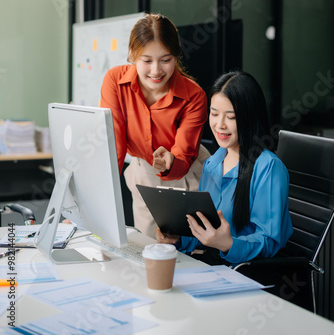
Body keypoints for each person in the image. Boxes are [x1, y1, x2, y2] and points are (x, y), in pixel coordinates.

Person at [156, 70, 293, 266]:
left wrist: (228, 244)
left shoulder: (269, 167)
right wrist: (177, 238)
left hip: (247, 274)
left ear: (249, 117)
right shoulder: (213, 162)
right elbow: (205, 229)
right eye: (214, 113)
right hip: (212, 265)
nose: (219, 125)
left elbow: (269, 242)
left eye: (231, 117)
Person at [100, 13, 210, 238]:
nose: (156, 71)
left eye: (166, 60)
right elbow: (114, 142)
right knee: (148, 248)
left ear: (176, 55)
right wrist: (97, 195)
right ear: (132, 55)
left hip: (186, 173)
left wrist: (171, 161)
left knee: (188, 251)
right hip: (143, 170)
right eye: (147, 60)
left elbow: (184, 155)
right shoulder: (115, 81)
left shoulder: (194, 96)